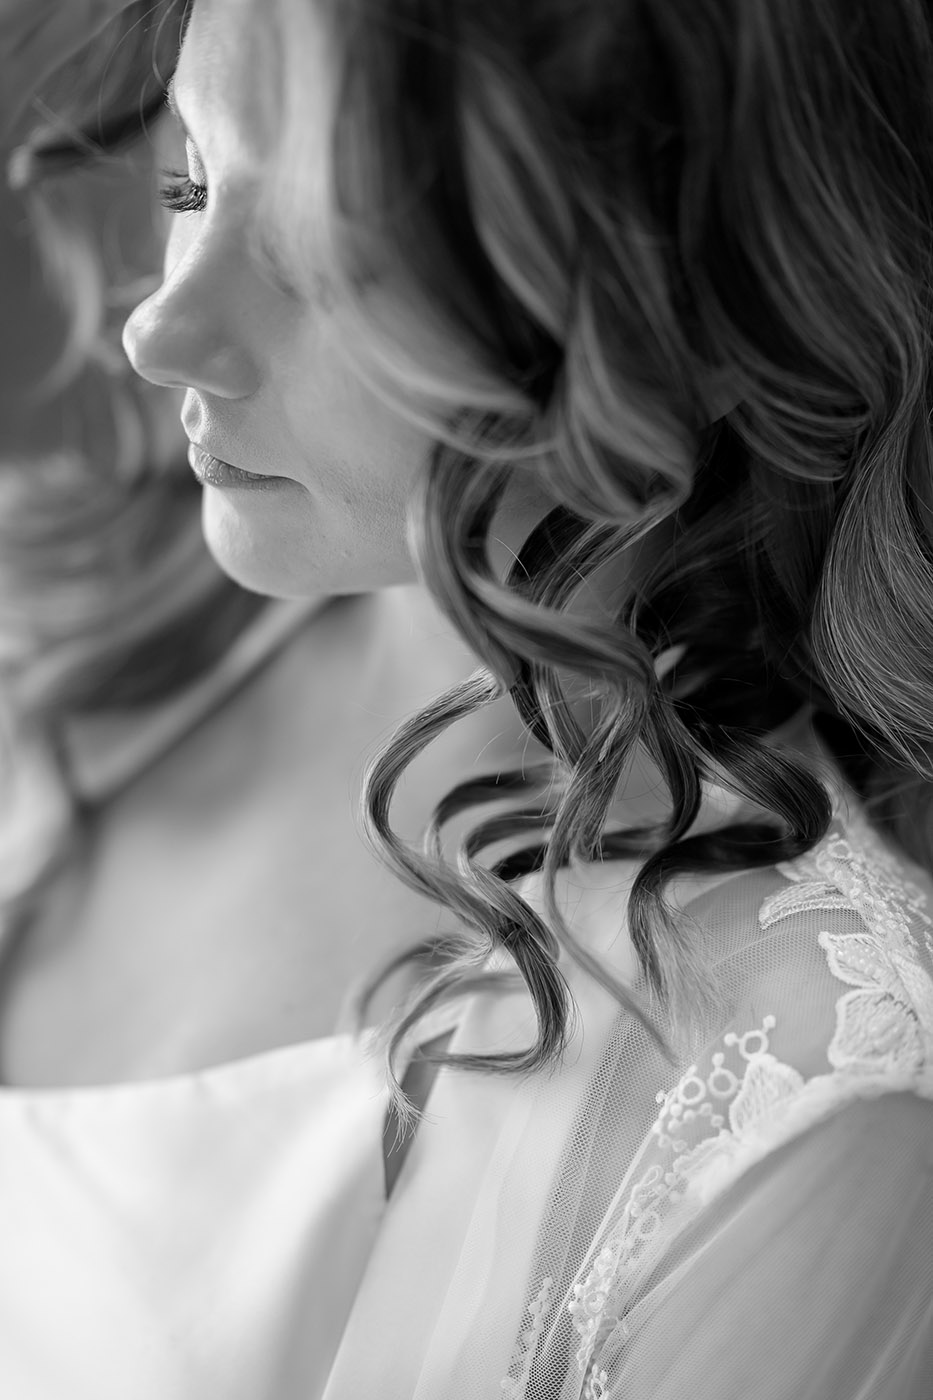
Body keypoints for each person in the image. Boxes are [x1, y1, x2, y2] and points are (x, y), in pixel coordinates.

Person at [5, 1, 933, 1397]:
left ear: (692, 297)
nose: (161, 328)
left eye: (328, 248)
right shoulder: (83, 614)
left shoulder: (801, 1078)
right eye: (191, 183)